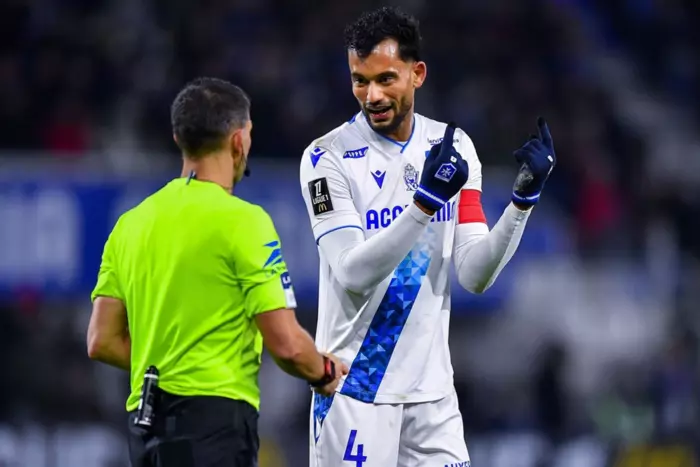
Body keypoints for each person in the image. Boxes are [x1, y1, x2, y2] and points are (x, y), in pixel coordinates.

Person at [299, 7, 556, 467]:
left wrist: (522, 202)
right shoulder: (326, 158)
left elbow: (474, 273)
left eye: (386, 79)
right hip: (355, 388)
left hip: (432, 397)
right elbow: (352, 272)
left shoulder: (454, 147)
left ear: (417, 74)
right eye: (360, 81)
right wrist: (423, 205)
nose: (372, 95)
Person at [87, 77, 348, 467]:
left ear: (179, 138)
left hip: (146, 428)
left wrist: (173, 364)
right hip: (214, 428)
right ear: (238, 141)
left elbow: (101, 340)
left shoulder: (130, 224)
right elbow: (287, 346)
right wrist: (325, 371)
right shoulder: (244, 222)